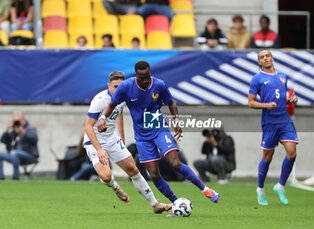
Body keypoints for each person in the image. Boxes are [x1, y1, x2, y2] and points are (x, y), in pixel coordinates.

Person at [97, 61, 220, 215]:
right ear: (136, 76)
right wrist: (102, 118)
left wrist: (176, 121)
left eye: (148, 76)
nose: (146, 80)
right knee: (154, 174)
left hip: (159, 128)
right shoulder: (126, 87)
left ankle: (206, 190)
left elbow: (171, 103)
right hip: (142, 136)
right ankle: (176, 204)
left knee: (175, 163)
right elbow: (112, 104)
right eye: (143, 77)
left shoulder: (159, 85)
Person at [83, 71, 171, 214]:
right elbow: (87, 127)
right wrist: (99, 149)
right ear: (108, 85)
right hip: (94, 142)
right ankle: (115, 186)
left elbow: (119, 115)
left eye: (121, 86)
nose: (118, 89)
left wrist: (121, 138)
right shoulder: (100, 100)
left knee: (134, 170)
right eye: (115, 86)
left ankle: (155, 204)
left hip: (112, 139)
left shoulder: (123, 96)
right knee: (105, 177)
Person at [248, 49, 298, 206]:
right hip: (269, 123)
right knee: (267, 157)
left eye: (267, 56)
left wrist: (290, 100)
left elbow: (280, 97)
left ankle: (280, 186)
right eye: (262, 57)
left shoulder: (283, 77)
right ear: (259, 62)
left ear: (272, 58)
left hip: (285, 120)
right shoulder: (256, 79)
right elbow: (251, 102)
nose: (265, 58)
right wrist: (266, 105)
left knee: (292, 153)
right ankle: (260, 190)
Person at [0, 113, 39, 180]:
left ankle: (16, 177)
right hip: (13, 155)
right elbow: (3, 140)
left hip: (29, 155)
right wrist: (7, 129)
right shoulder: (14, 131)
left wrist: (23, 132)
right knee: (1, 154)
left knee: (14, 153)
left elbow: (34, 139)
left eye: (19, 121)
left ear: (23, 120)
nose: (17, 123)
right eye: (15, 121)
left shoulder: (30, 128)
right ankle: (1, 177)